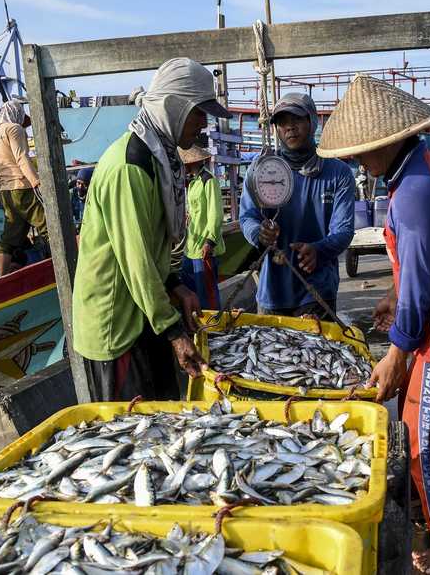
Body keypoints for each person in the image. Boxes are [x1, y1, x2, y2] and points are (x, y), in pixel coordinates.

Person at [318, 75, 430, 574]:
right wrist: (393, 294)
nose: (358, 161)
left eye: (363, 152)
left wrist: (397, 351)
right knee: (418, 431)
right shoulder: (428, 165)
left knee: (423, 443)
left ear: (388, 140)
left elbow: (423, 283)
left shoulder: (411, 193)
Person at [72, 57, 231, 401]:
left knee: (165, 418)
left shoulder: (162, 156)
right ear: (174, 106)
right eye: (199, 112)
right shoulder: (130, 165)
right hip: (117, 328)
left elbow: (154, 249)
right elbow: (137, 261)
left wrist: (176, 286)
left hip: (146, 315)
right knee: (132, 433)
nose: (203, 124)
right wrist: (174, 331)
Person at [240, 92, 355, 320]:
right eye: (282, 122)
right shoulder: (261, 170)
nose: (289, 127)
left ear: (312, 121)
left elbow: (343, 230)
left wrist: (319, 250)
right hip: (272, 292)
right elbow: (247, 217)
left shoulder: (338, 173)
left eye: (297, 119)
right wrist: (259, 233)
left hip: (317, 293)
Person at [0, 100, 48, 276]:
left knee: (8, 239)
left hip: (6, 192)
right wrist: (37, 181)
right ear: (16, 113)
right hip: (22, 185)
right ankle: (69, 263)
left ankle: (0, 277)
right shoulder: (14, 129)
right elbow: (22, 157)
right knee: (50, 225)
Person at [180, 143, 224, 310]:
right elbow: (193, 211)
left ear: (191, 162)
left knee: (207, 293)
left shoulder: (208, 180)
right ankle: (196, 326)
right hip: (190, 246)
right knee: (189, 288)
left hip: (203, 247)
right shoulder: (192, 183)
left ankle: (212, 329)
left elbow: (216, 214)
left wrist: (210, 241)